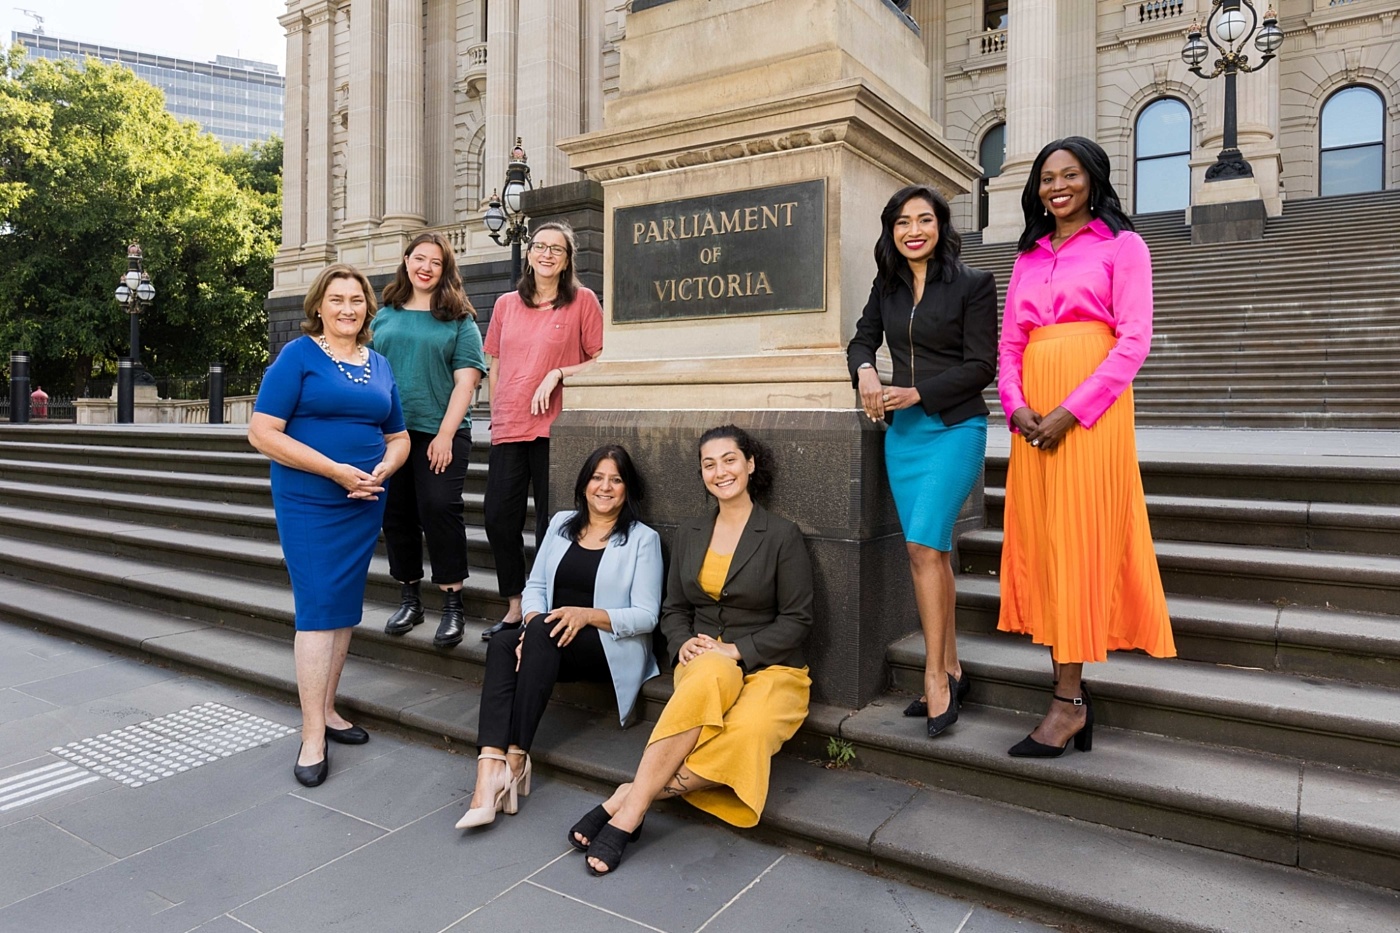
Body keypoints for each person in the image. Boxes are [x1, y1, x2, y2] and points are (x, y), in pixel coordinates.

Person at [996, 136, 1176, 758]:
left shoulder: (1124, 247)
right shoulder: (1027, 256)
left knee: (1078, 544)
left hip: (1089, 417)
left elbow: (1134, 341)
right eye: (1046, 178)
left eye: (1069, 175)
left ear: (1093, 180)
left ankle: (1068, 702)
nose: (1056, 186)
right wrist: (1015, 404)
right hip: (1032, 418)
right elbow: (1010, 344)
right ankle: (1067, 694)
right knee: (1046, 547)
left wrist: (1071, 412)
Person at [569, 425, 813, 877]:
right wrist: (682, 643)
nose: (720, 471)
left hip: (773, 667)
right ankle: (630, 816)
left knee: (750, 732)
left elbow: (797, 621)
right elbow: (673, 608)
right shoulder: (691, 532)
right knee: (707, 678)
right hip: (703, 662)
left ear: (750, 464)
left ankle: (627, 801)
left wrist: (737, 651)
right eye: (709, 464)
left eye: (729, 460)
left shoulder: (781, 535)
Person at [248, 264, 410, 787]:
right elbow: (262, 432)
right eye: (337, 299)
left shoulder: (379, 364)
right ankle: (312, 732)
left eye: (356, 299)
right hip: (310, 498)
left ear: (368, 308)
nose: (347, 308)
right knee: (318, 610)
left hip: (364, 499)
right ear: (319, 306)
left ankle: (330, 709)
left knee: (342, 608)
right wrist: (334, 469)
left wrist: (386, 466)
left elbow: (399, 434)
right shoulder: (298, 357)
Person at [847, 184, 997, 738]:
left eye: (925, 220)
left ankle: (934, 676)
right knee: (928, 555)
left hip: (955, 426)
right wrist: (865, 370)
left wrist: (918, 392)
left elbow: (982, 365)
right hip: (903, 436)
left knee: (922, 545)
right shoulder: (885, 288)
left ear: (941, 226)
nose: (914, 230)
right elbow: (861, 342)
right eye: (904, 222)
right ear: (891, 231)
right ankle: (953, 666)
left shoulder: (974, 284)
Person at [456, 444, 663, 829]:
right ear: (583, 484)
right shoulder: (561, 524)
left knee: (537, 635)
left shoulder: (641, 539)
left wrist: (585, 615)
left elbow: (647, 616)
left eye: (616, 480)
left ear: (627, 489)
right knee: (503, 641)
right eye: (597, 478)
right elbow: (535, 585)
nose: (605, 487)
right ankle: (490, 770)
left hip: (606, 645)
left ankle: (515, 758)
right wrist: (532, 623)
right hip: (548, 638)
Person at [481, 221, 604, 642]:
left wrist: (558, 373)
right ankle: (515, 604)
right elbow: (494, 364)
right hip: (510, 426)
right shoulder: (504, 304)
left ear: (568, 260)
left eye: (557, 249)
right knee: (499, 517)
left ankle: (544, 607)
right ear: (530, 253)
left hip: (556, 429)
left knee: (553, 523)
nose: (547, 254)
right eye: (540, 246)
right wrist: (497, 413)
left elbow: (602, 361)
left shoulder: (583, 301)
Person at [372, 232, 487, 649]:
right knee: (396, 513)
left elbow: (466, 383)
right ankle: (410, 597)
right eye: (419, 259)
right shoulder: (383, 315)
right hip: (389, 432)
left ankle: (453, 603)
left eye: (435, 262)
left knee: (439, 507)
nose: (425, 267)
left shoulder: (459, 320)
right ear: (406, 262)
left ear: (445, 270)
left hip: (442, 431)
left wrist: (444, 435)